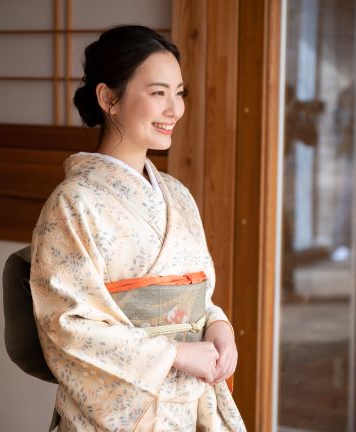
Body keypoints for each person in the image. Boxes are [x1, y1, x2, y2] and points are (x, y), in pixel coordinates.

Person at [29, 25, 245, 431]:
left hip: (187, 404)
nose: (175, 109)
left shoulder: (177, 195)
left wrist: (218, 326)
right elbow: (66, 326)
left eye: (178, 93)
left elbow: (199, 296)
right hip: (119, 416)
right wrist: (175, 355)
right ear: (109, 98)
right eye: (158, 92)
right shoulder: (73, 203)